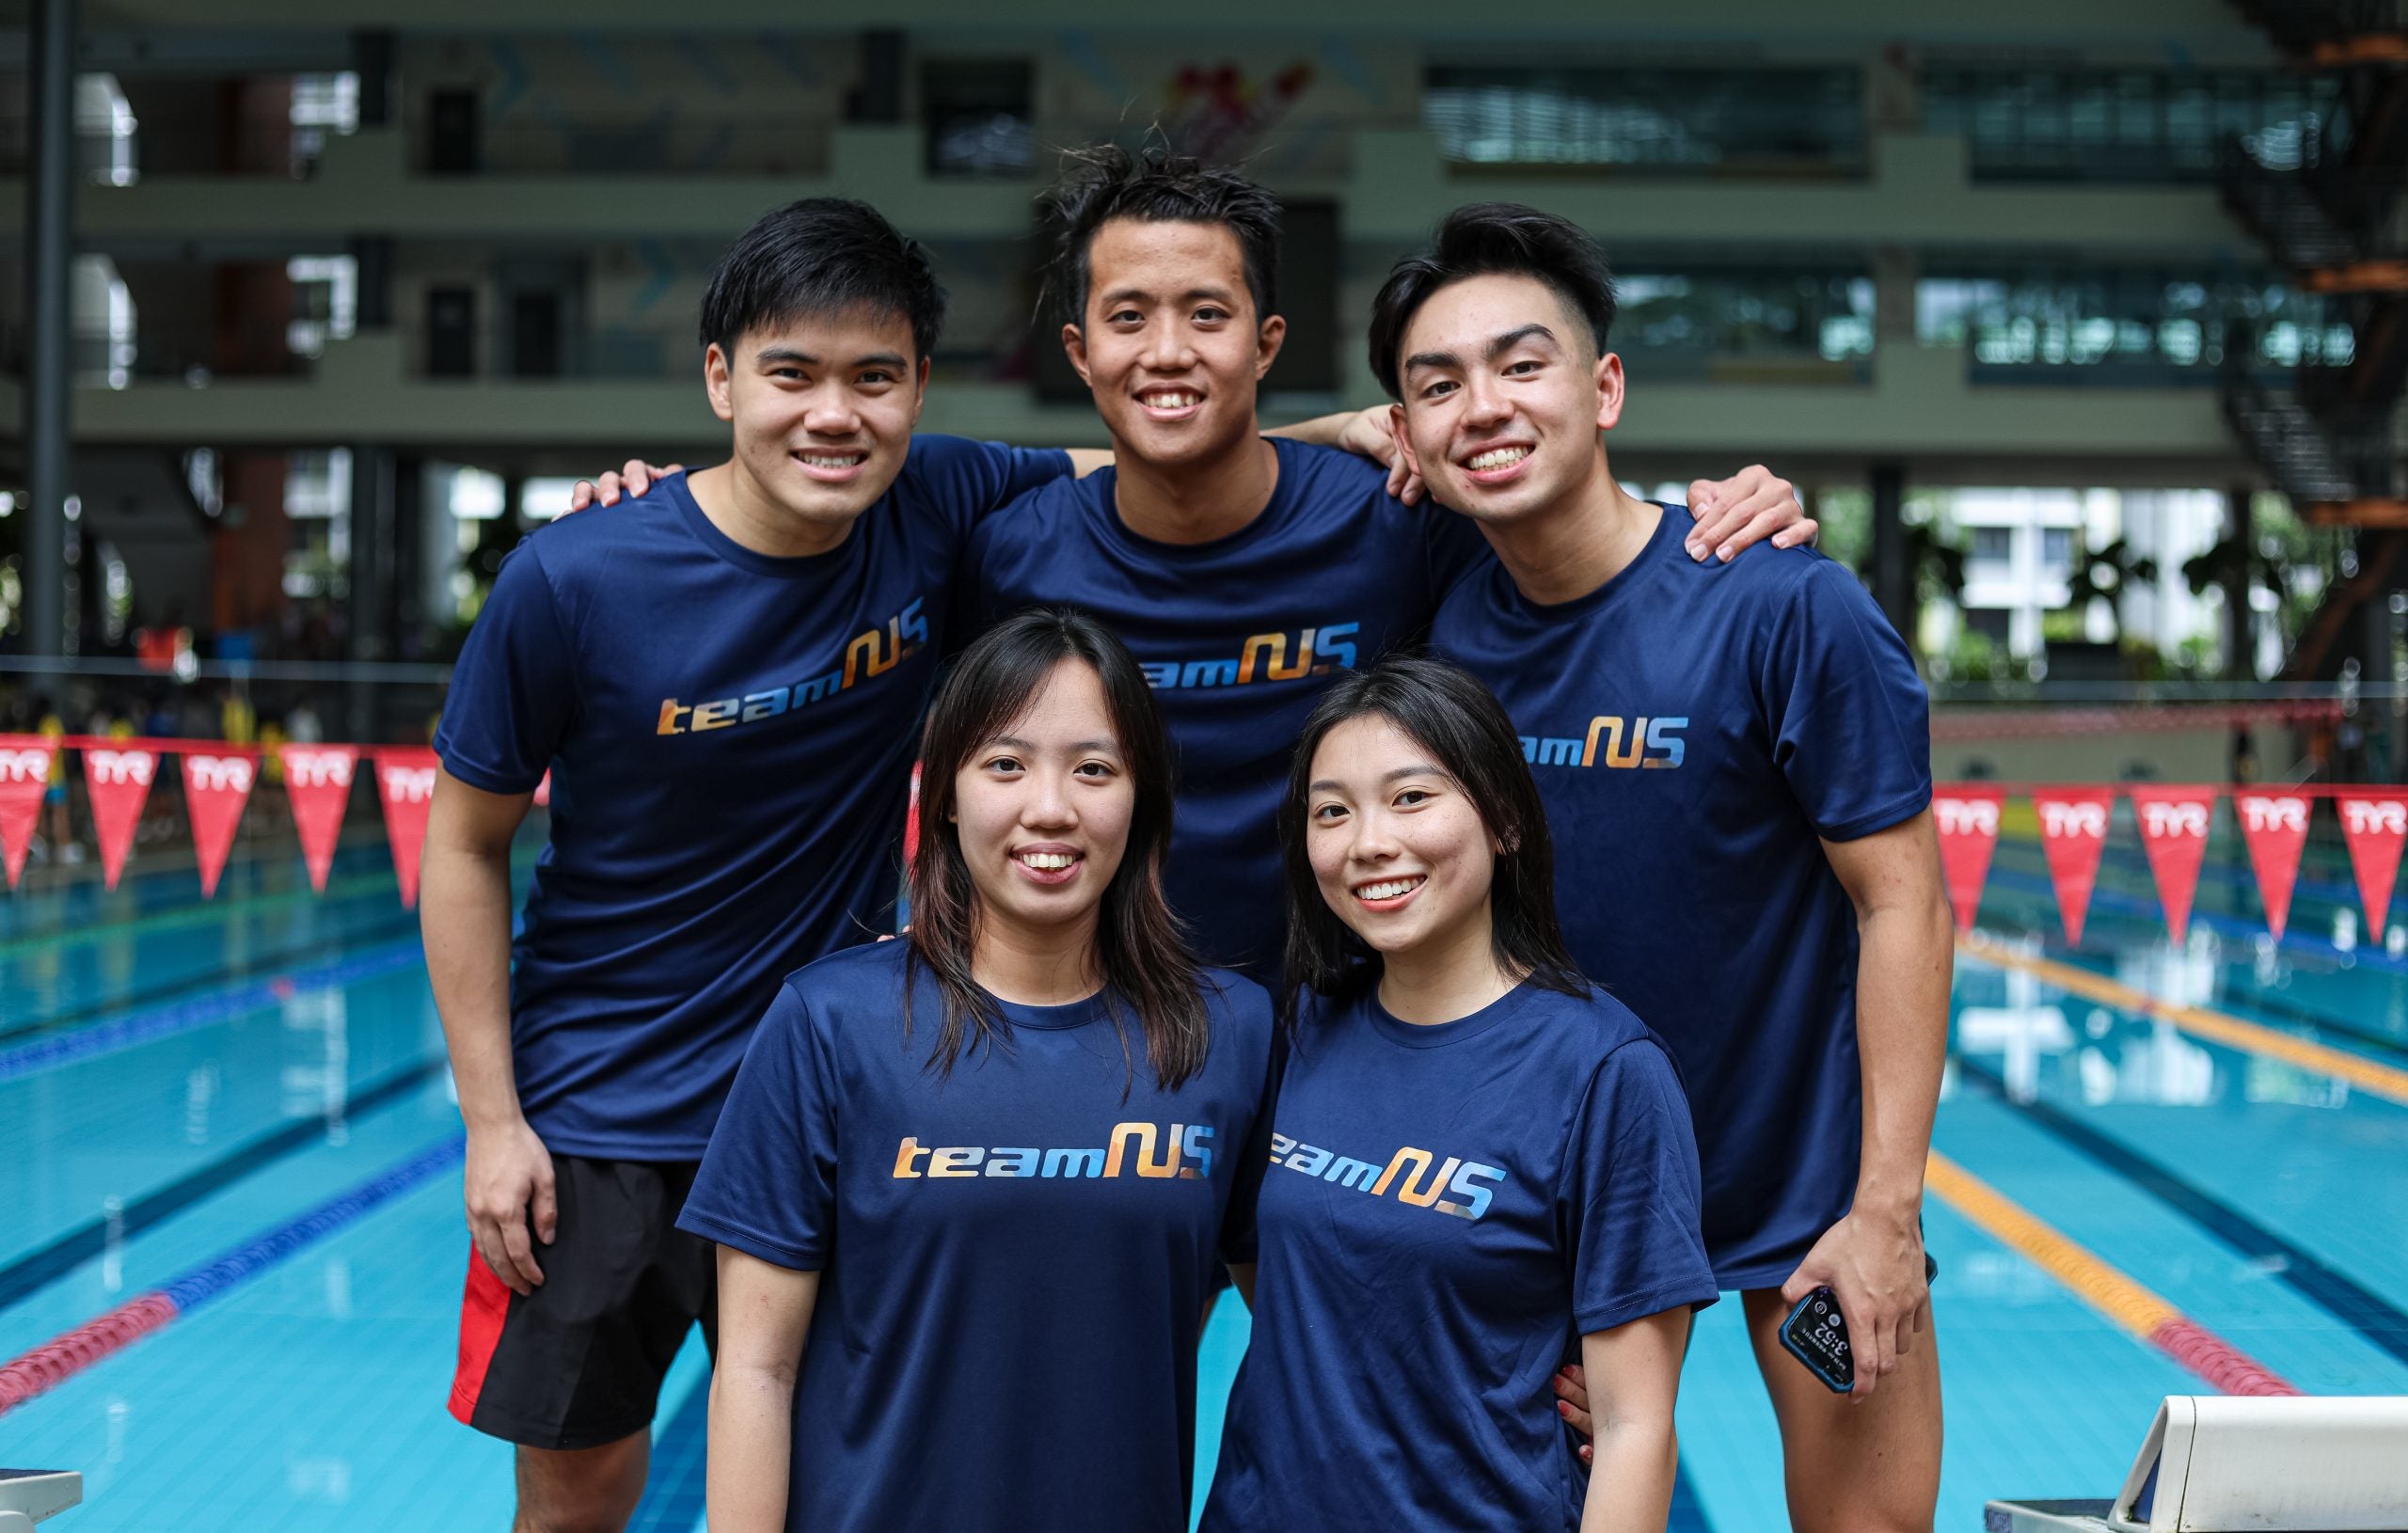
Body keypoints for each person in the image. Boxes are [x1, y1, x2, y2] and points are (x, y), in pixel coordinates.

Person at [590, 147, 1813, 987]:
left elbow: (1560, 533)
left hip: (1345, 1041)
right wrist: (647, 510)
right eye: (1128, 316)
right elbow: (786, 519)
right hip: (1108, 1047)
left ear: (1268, 340)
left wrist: (1712, 511)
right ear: (1078, 348)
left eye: (1207, 315)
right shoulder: (1005, 547)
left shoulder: (1392, 517)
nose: (1166, 351)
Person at [423, 198, 1097, 1531]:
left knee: (823, 1492)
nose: (833, 415)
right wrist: (493, 1121)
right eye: (791, 372)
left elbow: (1164, 465)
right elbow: (465, 842)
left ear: (917, 388)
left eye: (875, 378)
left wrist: (1372, 434)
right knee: (577, 1501)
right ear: (722, 376)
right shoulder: (574, 578)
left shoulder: (938, 501)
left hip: (823, 1115)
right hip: (592, 1124)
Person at [1372, 203, 1953, 1533]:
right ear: (1402, 431)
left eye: (1523, 364)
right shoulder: (1433, 612)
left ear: (1606, 386)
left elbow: (1903, 898)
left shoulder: (1781, 601)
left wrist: (1884, 1207)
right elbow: (1199, 452)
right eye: (1436, 383)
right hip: (1557, 1195)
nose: (1485, 406)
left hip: (1801, 1181)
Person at [681, 607, 1275, 1533]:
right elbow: (757, 1367)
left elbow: (1308, 1318)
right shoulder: (833, 1021)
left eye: (1094, 769)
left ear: (1141, 798)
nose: (1050, 808)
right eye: (1006, 764)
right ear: (948, 796)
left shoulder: (1223, 1033)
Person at [1202, 653, 1715, 1533]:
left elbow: (1634, 1427)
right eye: (1333, 812)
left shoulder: (1605, 1071)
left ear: (1505, 818)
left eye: (1411, 797)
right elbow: (1286, 1288)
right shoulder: (1298, 1030)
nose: (1369, 842)